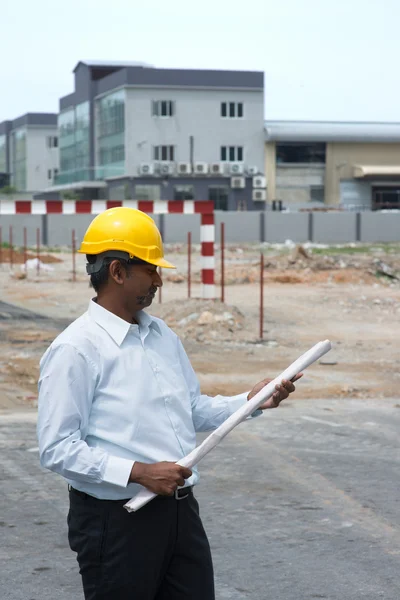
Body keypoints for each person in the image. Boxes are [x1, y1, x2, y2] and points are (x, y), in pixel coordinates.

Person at [37, 207, 300, 600]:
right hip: (116, 521)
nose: (159, 279)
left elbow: (189, 409)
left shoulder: (160, 334)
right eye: (151, 269)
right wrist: (139, 472)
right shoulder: (76, 349)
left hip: (179, 513)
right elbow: (57, 449)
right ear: (118, 272)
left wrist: (250, 401)